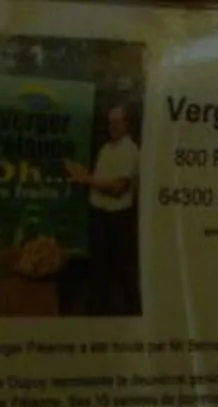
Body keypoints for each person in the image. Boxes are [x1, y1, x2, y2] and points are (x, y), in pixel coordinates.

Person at [63, 101, 140, 316]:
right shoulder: (106, 148)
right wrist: (80, 174)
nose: (112, 126)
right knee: (99, 273)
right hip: (100, 217)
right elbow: (99, 180)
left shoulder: (129, 149)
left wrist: (85, 179)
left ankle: (130, 318)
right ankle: (99, 314)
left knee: (121, 273)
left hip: (117, 220)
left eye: (117, 122)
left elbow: (117, 187)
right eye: (110, 122)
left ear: (127, 124)